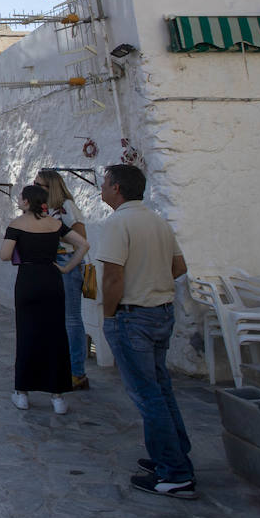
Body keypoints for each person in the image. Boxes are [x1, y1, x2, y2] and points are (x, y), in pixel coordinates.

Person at [94, 163, 196, 500]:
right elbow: (179, 266)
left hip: (132, 316)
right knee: (160, 389)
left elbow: (112, 276)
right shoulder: (157, 221)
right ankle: (173, 454)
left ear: (118, 188)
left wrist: (109, 316)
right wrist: (153, 279)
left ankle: (175, 473)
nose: (102, 188)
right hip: (161, 314)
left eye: (105, 183)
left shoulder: (118, 222)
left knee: (146, 395)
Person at [0, 184, 89, 414]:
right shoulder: (56, 224)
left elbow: (4, 255)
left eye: (21, 198)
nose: (19, 200)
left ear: (28, 201)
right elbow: (83, 245)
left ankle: (22, 393)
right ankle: (57, 397)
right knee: (55, 335)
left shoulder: (17, 225)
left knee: (27, 333)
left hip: (28, 279)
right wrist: (67, 268)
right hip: (52, 279)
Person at [36, 168, 89, 390]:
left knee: (71, 318)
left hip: (65, 262)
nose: (35, 187)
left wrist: (67, 267)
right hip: (51, 264)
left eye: (39, 185)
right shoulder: (46, 210)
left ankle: (77, 371)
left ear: (51, 187)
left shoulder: (66, 207)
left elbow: (81, 241)